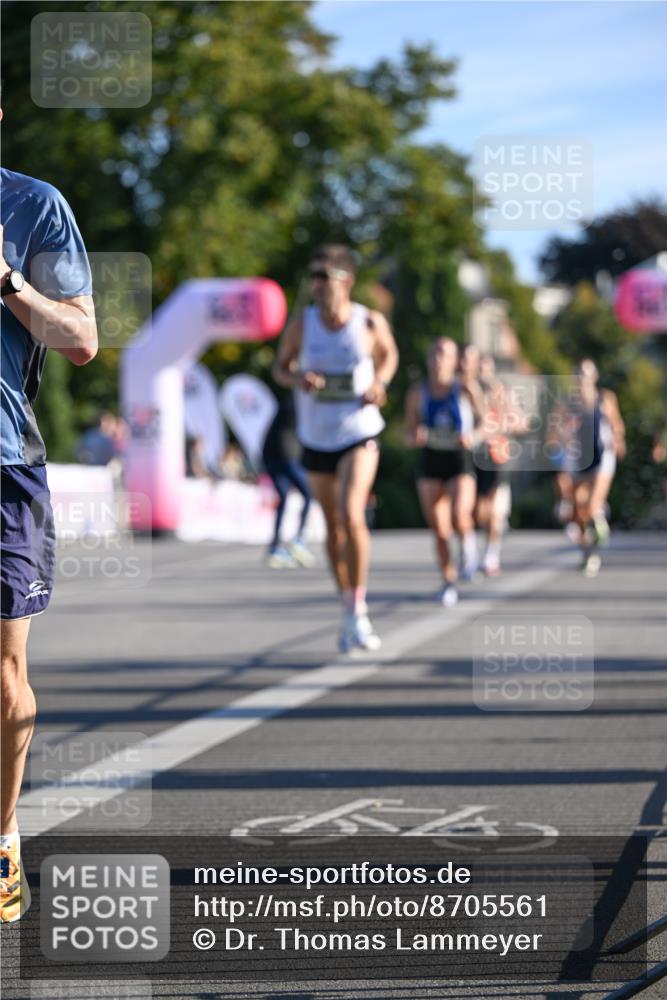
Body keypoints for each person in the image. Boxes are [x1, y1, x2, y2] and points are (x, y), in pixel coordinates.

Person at [1, 146, 98, 921]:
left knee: (4, 674)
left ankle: (1, 838)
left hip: (4, 467)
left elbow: (81, 338)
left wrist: (8, 282)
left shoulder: (35, 206)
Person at [273, 244, 398, 652]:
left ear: (347, 280)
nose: (317, 284)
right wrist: (299, 378)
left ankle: (359, 608)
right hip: (317, 435)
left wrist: (380, 383)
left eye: (325, 276)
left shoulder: (368, 321)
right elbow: (280, 368)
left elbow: (389, 355)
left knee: (351, 513)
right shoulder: (302, 324)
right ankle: (347, 607)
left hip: (359, 431)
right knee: (332, 527)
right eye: (313, 276)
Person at [405, 338, 479, 607]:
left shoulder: (464, 389)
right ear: (428, 359)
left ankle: (469, 548)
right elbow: (408, 430)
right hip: (431, 459)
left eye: (444, 354)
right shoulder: (418, 392)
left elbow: (486, 423)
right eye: (434, 353)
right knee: (439, 528)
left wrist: (473, 436)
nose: (438, 360)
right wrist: (415, 436)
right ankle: (448, 581)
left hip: (459, 458)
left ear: (454, 360)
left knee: (460, 516)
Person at [568, 359, 625, 577]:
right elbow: (557, 429)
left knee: (591, 506)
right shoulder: (569, 402)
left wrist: (618, 440)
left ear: (594, 377)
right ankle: (588, 553)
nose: (582, 379)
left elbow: (617, 424)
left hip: (603, 457)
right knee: (578, 512)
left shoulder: (605, 398)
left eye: (586, 374)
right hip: (580, 458)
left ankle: (600, 520)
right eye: (579, 374)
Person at [261, 394, 314, 569]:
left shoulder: (289, 403)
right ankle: (298, 540)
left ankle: (275, 547)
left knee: (283, 498)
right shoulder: (299, 404)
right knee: (308, 494)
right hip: (286, 456)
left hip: (271, 457)